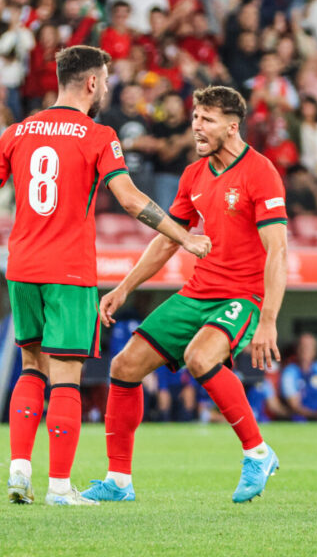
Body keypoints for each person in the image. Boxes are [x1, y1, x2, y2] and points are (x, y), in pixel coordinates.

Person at [0, 45, 209, 506]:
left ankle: (20, 470)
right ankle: (59, 486)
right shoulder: (98, 135)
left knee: (31, 366)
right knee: (66, 378)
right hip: (70, 272)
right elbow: (132, 200)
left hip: (22, 269)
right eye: (107, 81)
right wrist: (186, 237)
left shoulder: (15, 131)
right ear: (93, 82)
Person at [84, 85, 288, 504]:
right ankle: (119, 481)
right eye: (195, 118)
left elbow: (278, 250)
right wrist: (124, 288)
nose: (196, 127)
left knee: (200, 357)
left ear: (232, 127)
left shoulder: (261, 171)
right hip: (196, 292)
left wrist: (268, 320)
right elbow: (167, 241)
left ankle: (258, 452)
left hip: (242, 296)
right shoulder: (193, 174)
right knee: (124, 366)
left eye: (207, 120)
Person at [279, 333, 317, 422]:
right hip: (298, 417)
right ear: (297, 349)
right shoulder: (290, 371)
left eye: (309, 347)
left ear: (315, 351)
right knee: (298, 419)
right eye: (303, 346)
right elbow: (294, 406)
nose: (305, 350)